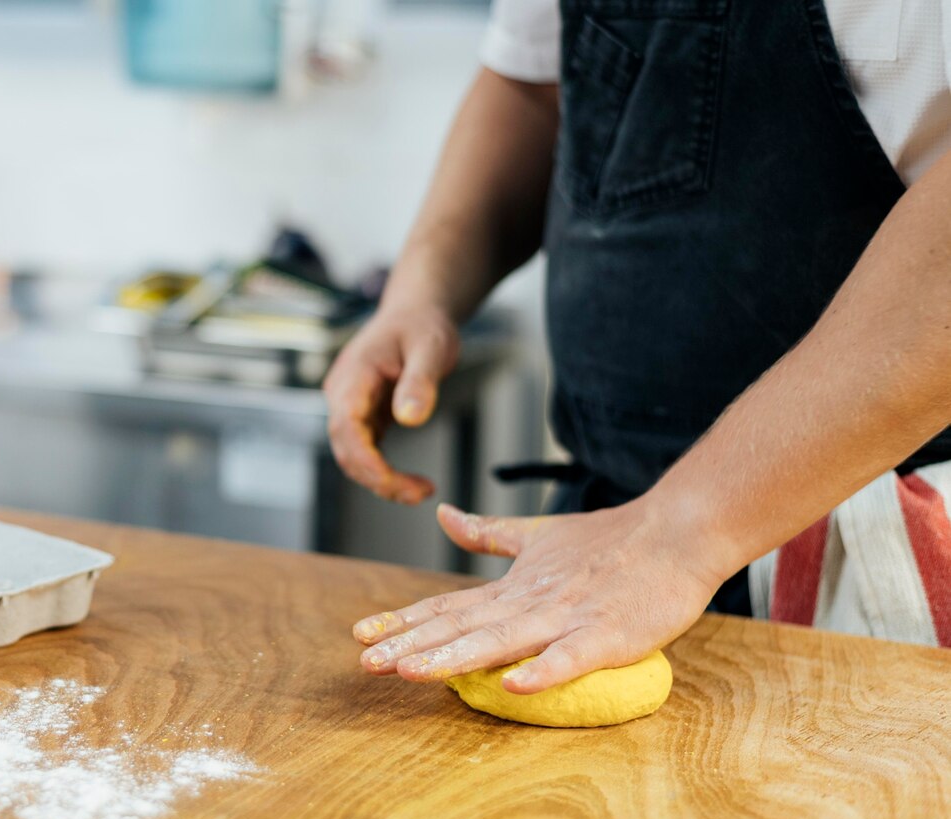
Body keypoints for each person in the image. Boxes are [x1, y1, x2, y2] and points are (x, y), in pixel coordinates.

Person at [327, 1, 951, 693]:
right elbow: (534, 87)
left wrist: (678, 535)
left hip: (877, 554)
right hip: (609, 544)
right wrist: (422, 293)